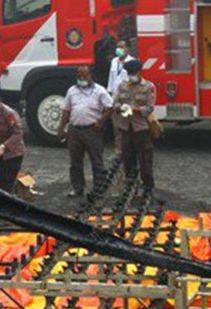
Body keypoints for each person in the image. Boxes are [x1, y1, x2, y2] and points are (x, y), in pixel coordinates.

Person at [58, 65, 113, 198]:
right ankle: (78, 189)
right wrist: (61, 127)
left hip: (92, 130)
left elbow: (110, 107)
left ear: (90, 75)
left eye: (84, 75)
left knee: (97, 161)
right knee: (75, 162)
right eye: (79, 76)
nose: (81, 78)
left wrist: (101, 121)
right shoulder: (72, 90)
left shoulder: (99, 90)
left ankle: (98, 190)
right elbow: (66, 110)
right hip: (74, 130)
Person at [114, 59, 157, 195]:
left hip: (141, 128)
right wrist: (122, 107)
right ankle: (131, 187)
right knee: (128, 159)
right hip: (126, 128)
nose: (131, 75)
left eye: (133, 72)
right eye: (129, 72)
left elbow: (149, 108)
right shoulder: (122, 86)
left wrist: (134, 109)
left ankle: (148, 187)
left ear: (140, 72)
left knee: (145, 160)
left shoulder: (148, 87)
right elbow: (114, 104)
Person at [107, 40, 135, 155]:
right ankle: (118, 150)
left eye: (121, 47)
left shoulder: (132, 61)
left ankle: (129, 149)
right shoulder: (114, 61)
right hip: (115, 97)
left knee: (127, 122)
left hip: (127, 98)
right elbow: (111, 77)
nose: (119, 49)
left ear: (127, 48)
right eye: (117, 47)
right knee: (116, 125)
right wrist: (109, 92)